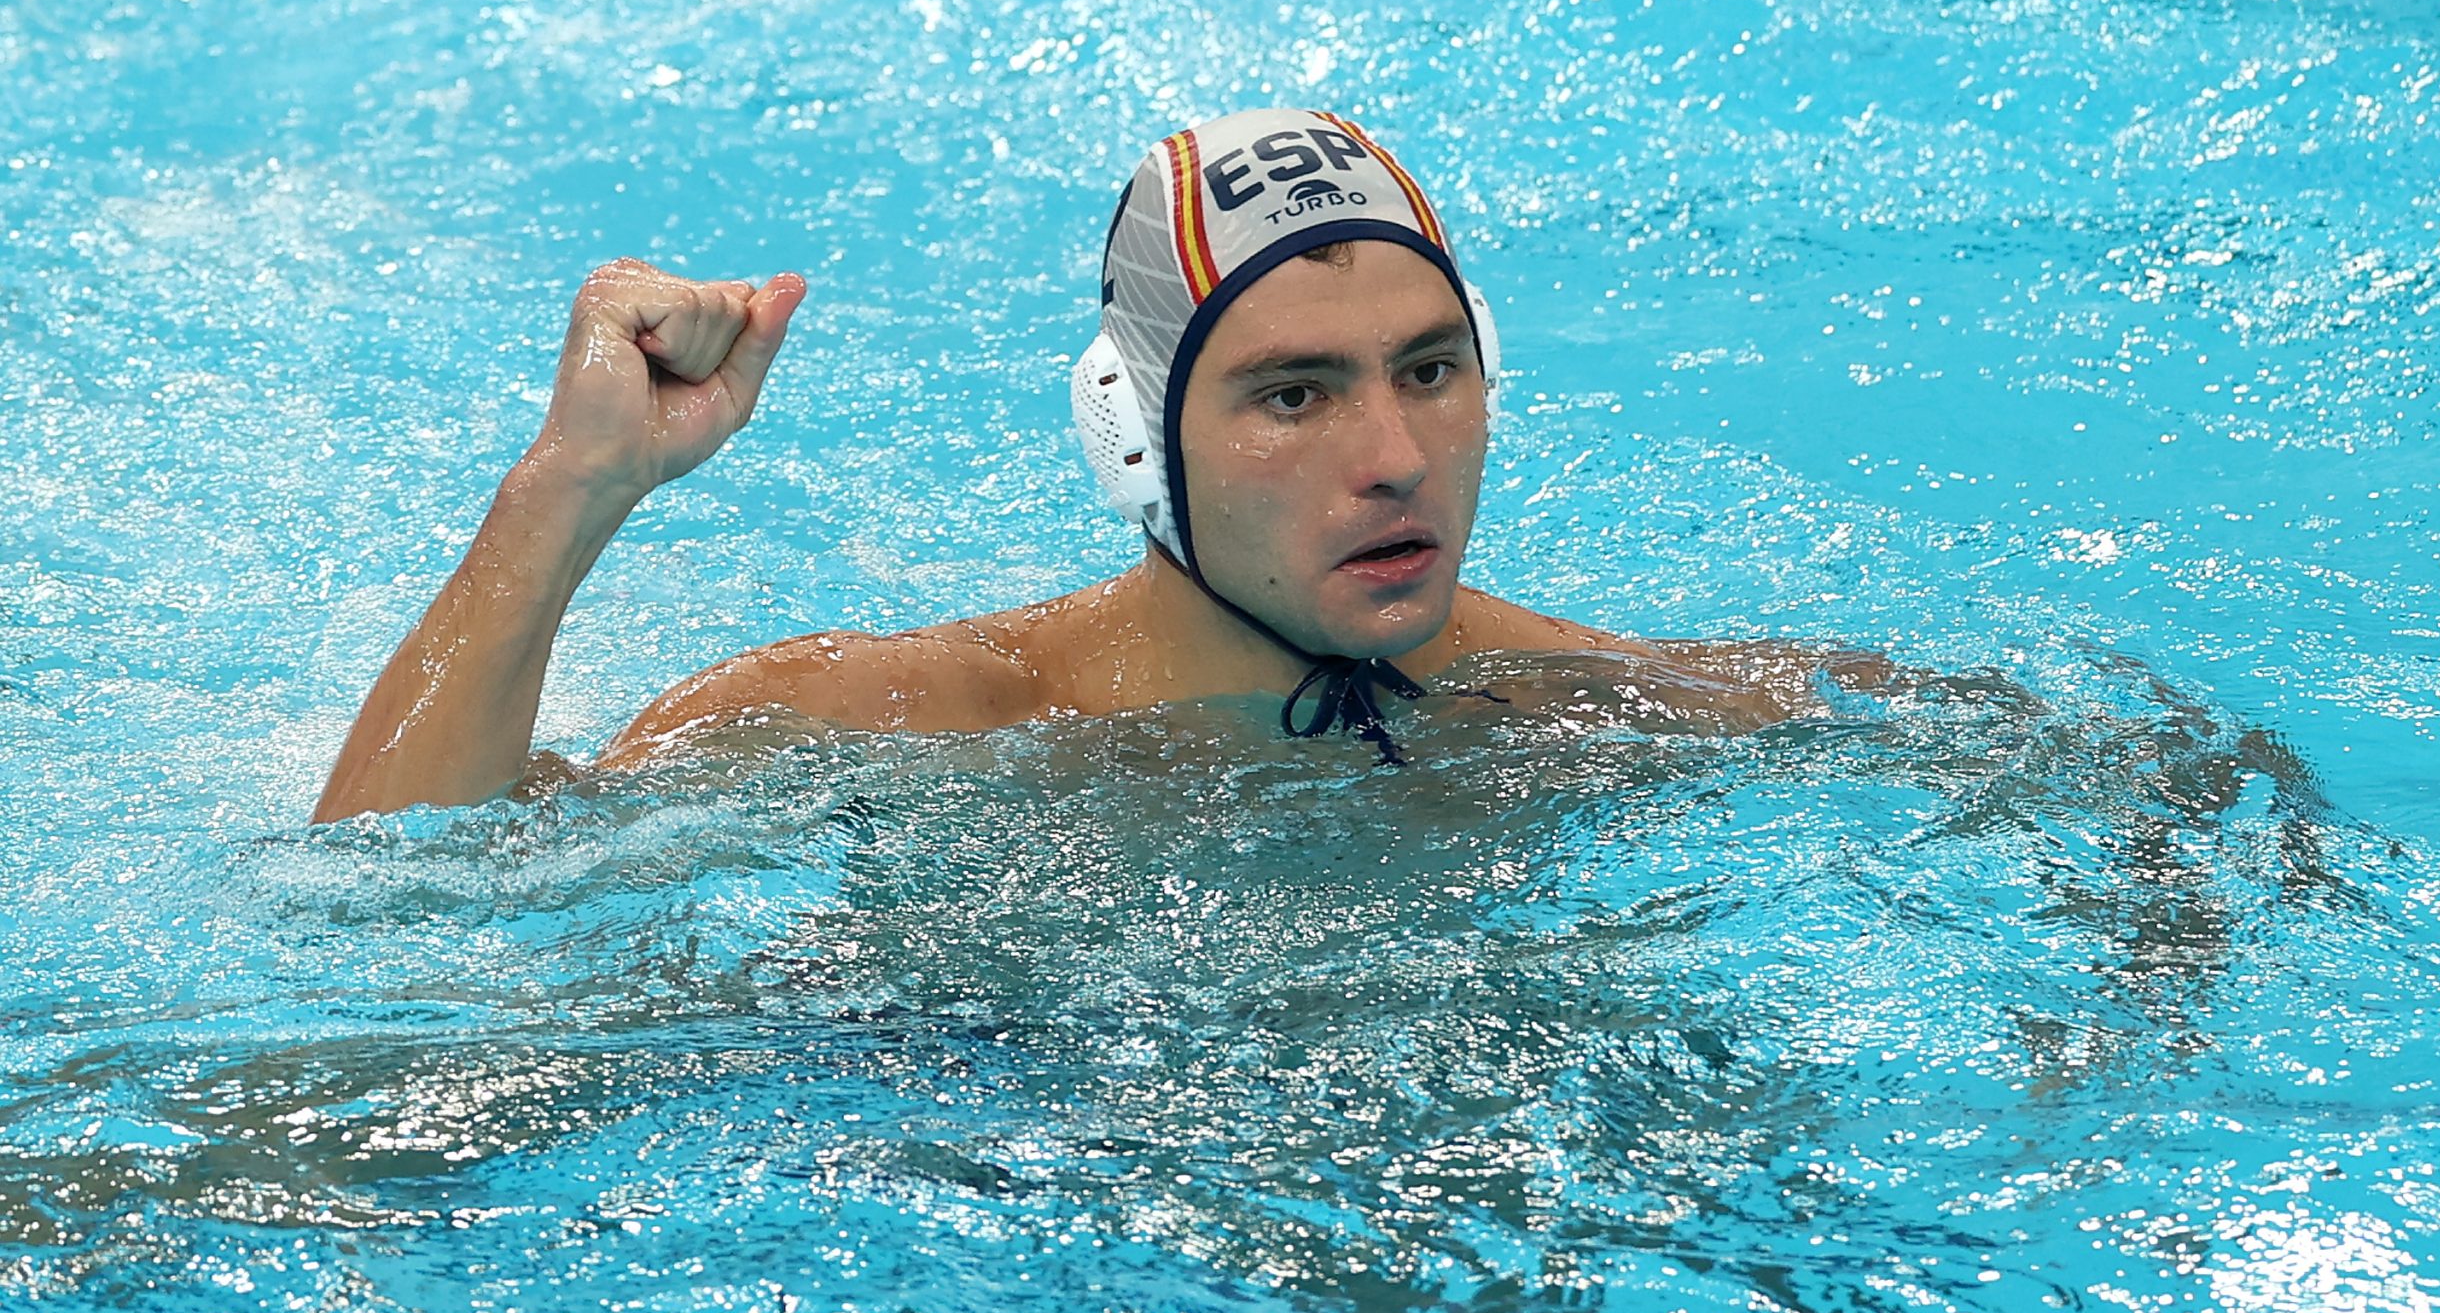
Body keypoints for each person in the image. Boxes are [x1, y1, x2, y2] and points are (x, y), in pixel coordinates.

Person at [313, 108, 1867, 823]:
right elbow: (392, 909)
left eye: (1429, 370)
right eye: (1291, 395)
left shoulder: (1592, 699)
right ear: (1136, 439)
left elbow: (2032, 741)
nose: (1394, 457)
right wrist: (567, 493)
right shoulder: (920, 721)